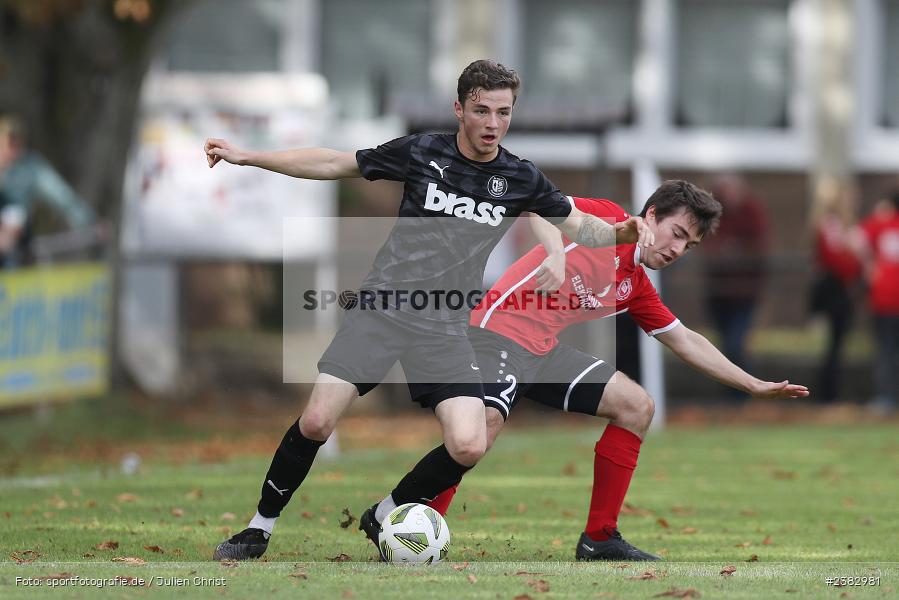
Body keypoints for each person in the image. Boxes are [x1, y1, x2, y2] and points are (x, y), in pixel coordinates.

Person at [204, 59, 654, 560]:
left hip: (443, 328)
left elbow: (577, 225)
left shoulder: (520, 176)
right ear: (459, 109)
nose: (492, 123)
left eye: (503, 113)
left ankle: (385, 512)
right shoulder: (423, 152)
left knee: (469, 444)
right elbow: (333, 162)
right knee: (316, 422)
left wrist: (619, 232)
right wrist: (249, 157)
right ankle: (258, 528)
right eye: (481, 111)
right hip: (381, 312)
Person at [358, 180, 809, 562]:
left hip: (543, 352)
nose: (677, 249)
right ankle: (395, 514)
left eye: (688, 245)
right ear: (651, 216)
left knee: (636, 405)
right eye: (676, 233)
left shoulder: (635, 286)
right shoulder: (608, 219)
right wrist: (555, 253)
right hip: (494, 332)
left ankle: (599, 538)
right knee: (481, 429)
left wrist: (752, 384)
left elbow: (685, 340)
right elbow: (541, 206)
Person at [700, 174, 770, 392]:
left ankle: (743, 393)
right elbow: (705, 244)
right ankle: (734, 393)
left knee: (736, 344)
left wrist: (737, 251)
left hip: (745, 293)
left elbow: (760, 247)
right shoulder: (712, 215)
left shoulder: (752, 212)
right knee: (723, 346)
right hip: (719, 292)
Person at [0, 114, 95, 268]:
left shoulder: (29, 168)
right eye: (10, 143)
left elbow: (60, 194)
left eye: (18, 143)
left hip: (16, 242)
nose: (15, 150)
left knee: (14, 214)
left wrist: (89, 221)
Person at [808, 178, 862, 403]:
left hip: (840, 289)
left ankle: (830, 391)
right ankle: (828, 393)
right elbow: (837, 261)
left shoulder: (844, 227)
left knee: (837, 343)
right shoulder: (831, 226)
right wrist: (852, 260)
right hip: (834, 291)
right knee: (834, 344)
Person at [855, 189, 899, 416]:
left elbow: (855, 239)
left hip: (884, 298)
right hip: (886, 300)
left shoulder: (881, 223)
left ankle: (886, 399)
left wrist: (868, 264)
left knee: (886, 351)